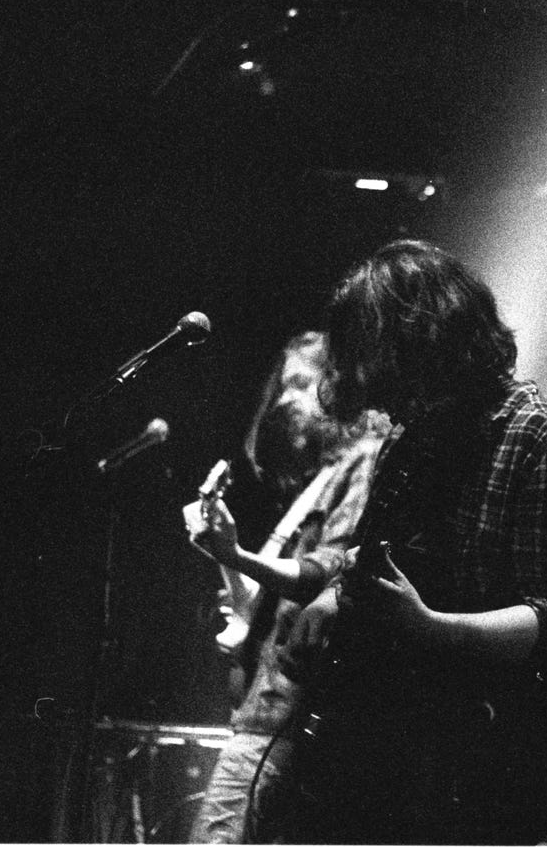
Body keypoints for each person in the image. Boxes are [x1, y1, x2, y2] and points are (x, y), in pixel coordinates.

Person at [276, 238, 547, 845]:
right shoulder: (412, 442)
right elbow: (382, 555)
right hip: (390, 772)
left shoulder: (544, 442)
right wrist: (333, 598)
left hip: (484, 785)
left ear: (422, 342)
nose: (372, 390)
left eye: (373, 359)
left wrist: (428, 626)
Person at [183, 331, 387, 844]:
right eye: (281, 387)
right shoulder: (319, 480)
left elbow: (327, 574)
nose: (282, 400)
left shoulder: (363, 460)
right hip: (261, 709)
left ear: (337, 385)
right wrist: (225, 554)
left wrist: (236, 555)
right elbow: (255, 610)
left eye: (299, 383)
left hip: (284, 715)